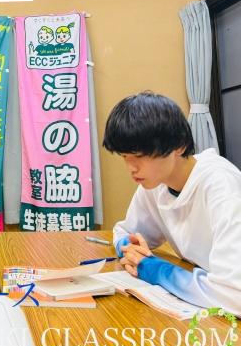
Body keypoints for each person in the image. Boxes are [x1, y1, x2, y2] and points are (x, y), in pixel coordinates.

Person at [103, 92, 241, 315]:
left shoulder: (221, 185)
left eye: (139, 155)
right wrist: (128, 247)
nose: (131, 167)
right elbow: (126, 231)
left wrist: (155, 270)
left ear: (179, 145)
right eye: (125, 156)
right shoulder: (156, 183)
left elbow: (235, 296)